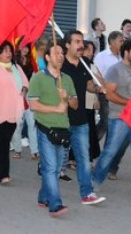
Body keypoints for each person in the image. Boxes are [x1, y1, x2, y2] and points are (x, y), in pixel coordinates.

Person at [91, 38, 131, 196]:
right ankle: (94, 182)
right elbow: (110, 95)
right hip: (120, 117)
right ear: (126, 52)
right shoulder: (115, 70)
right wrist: (130, 103)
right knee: (111, 150)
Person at [28, 42, 76, 217]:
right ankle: (55, 204)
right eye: (56, 53)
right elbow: (33, 104)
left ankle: (43, 196)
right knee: (50, 168)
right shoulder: (38, 78)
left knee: (55, 168)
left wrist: (68, 97)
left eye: (62, 53)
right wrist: (56, 109)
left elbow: (75, 104)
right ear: (47, 57)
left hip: (62, 128)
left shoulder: (67, 79)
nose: (61, 56)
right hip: (45, 128)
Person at [61, 30, 106, 205]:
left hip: (80, 120)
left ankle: (87, 193)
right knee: (55, 164)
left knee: (83, 158)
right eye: (77, 42)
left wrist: (97, 89)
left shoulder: (85, 62)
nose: (81, 45)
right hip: (61, 119)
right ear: (67, 45)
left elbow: (88, 85)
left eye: (82, 42)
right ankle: (45, 195)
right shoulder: (60, 64)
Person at [0, 40, 27, 185]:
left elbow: (25, 83)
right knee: (3, 142)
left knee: (4, 142)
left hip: (13, 111)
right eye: (4, 51)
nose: (8, 53)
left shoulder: (16, 68)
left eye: (9, 50)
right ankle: (3, 174)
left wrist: (24, 89)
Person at [81, 40, 103, 160]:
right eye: (88, 49)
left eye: (92, 50)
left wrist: (97, 98)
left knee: (90, 131)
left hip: (90, 102)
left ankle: (87, 158)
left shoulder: (92, 66)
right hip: (79, 102)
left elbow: (98, 82)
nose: (91, 53)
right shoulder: (79, 65)